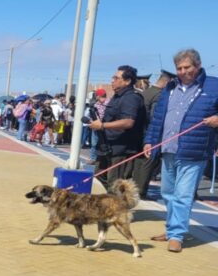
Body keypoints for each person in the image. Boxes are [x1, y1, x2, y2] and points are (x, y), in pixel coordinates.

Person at [143, 49, 218, 253]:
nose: (183, 72)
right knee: (167, 193)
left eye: (187, 67)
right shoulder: (170, 87)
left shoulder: (214, 86)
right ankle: (170, 229)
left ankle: (177, 235)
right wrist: (150, 141)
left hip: (194, 152)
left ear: (198, 65)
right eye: (179, 68)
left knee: (183, 195)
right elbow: (158, 118)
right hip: (168, 148)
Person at [88, 65, 147, 189]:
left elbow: (128, 122)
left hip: (123, 148)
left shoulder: (131, 98)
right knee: (100, 173)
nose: (112, 80)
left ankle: (117, 204)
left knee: (116, 182)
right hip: (109, 145)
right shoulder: (117, 96)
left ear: (127, 81)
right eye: (113, 77)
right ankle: (116, 201)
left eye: (116, 78)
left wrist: (102, 125)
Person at [132, 69, 176, 199]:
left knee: (139, 162)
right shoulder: (159, 95)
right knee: (148, 162)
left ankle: (135, 189)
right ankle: (140, 191)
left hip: (141, 132)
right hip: (151, 134)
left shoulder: (147, 92)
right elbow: (155, 117)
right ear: (168, 82)